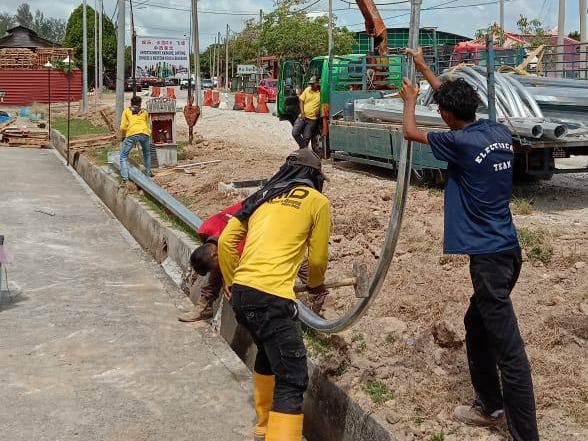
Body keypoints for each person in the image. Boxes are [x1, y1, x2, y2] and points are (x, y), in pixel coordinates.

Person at [400, 47, 539, 441]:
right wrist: (426, 69)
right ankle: (490, 405)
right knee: (474, 325)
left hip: (489, 262)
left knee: (510, 353)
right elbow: (452, 101)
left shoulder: (459, 145)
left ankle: (525, 434)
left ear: (446, 116)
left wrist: (411, 102)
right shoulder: (495, 132)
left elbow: (411, 132)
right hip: (510, 253)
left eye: (442, 110)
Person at [218, 149, 330, 441]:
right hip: (272, 298)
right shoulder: (317, 202)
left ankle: (264, 425)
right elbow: (317, 261)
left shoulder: (262, 197)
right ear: (315, 178)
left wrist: (231, 281)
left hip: (243, 294)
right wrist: (316, 284)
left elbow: (227, 241)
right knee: (292, 378)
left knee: (269, 355)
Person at [178, 201, 329, 323]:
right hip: (250, 212)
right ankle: (204, 306)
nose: (216, 270)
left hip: (270, 217)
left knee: (292, 256)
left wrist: (229, 281)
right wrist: (225, 275)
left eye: (215, 265)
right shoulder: (205, 230)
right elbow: (221, 257)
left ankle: (321, 296)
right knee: (220, 268)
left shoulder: (242, 248)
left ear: (214, 254)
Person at [119, 96, 151, 186]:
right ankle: (148, 173)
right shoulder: (144, 112)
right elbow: (147, 124)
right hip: (145, 133)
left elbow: (123, 127)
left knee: (123, 157)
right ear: (140, 103)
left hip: (132, 133)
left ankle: (125, 179)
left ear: (131, 103)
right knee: (147, 154)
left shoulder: (127, 111)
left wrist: (123, 137)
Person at [291, 76, 321, 149]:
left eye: (312, 84)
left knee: (306, 137)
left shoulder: (321, 93)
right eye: (310, 84)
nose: (311, 85)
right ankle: (304, 149)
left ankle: (303, 151)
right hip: (302, 117)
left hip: (312, 119)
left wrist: (319, 109)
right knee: (295, 132)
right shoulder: (307, 90)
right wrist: (302, 112)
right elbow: (301, 100)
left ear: (317, 84)